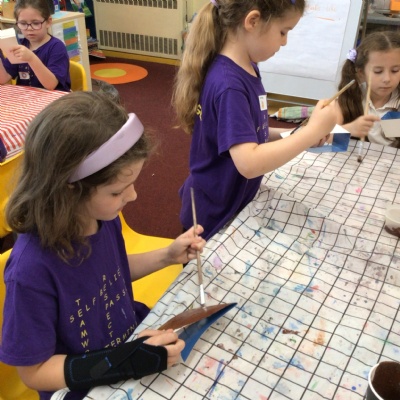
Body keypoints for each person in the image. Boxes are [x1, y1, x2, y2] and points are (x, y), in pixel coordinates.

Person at [0, 91, 205, 400]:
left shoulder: (101, 217)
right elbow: (33, 372)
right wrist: (125, 361)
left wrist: (167, 256)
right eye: (117, 191)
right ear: (68, 190)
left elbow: (111, 274)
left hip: (127, 343)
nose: (133, 196)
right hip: (85, 385)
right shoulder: (30, 270)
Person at [172, 0, 337, 240]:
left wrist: (297, 135)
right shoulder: (230, 86)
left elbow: (251, 132)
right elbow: (249, 163)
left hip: (231, 202)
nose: (285, 42)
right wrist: (311, 132)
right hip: (213, 217)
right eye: (283, 32)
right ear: (253, 21)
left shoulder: (246, 68)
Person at [335, 31, 400, 147]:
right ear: (361, 73)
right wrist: (350, 129)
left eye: (395, 70)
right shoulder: (349, 97)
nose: (387, 79)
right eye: (378, 71)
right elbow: (322, 137)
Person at [0, 0, 71, 91]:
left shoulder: (57, 47)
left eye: (36, 23)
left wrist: (31, 58)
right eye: (23, 23)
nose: (29, 28)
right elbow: (3, 79)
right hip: (27, 97)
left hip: (54, 98)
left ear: (48, 22)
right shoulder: (20, 45)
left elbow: (51, 85)